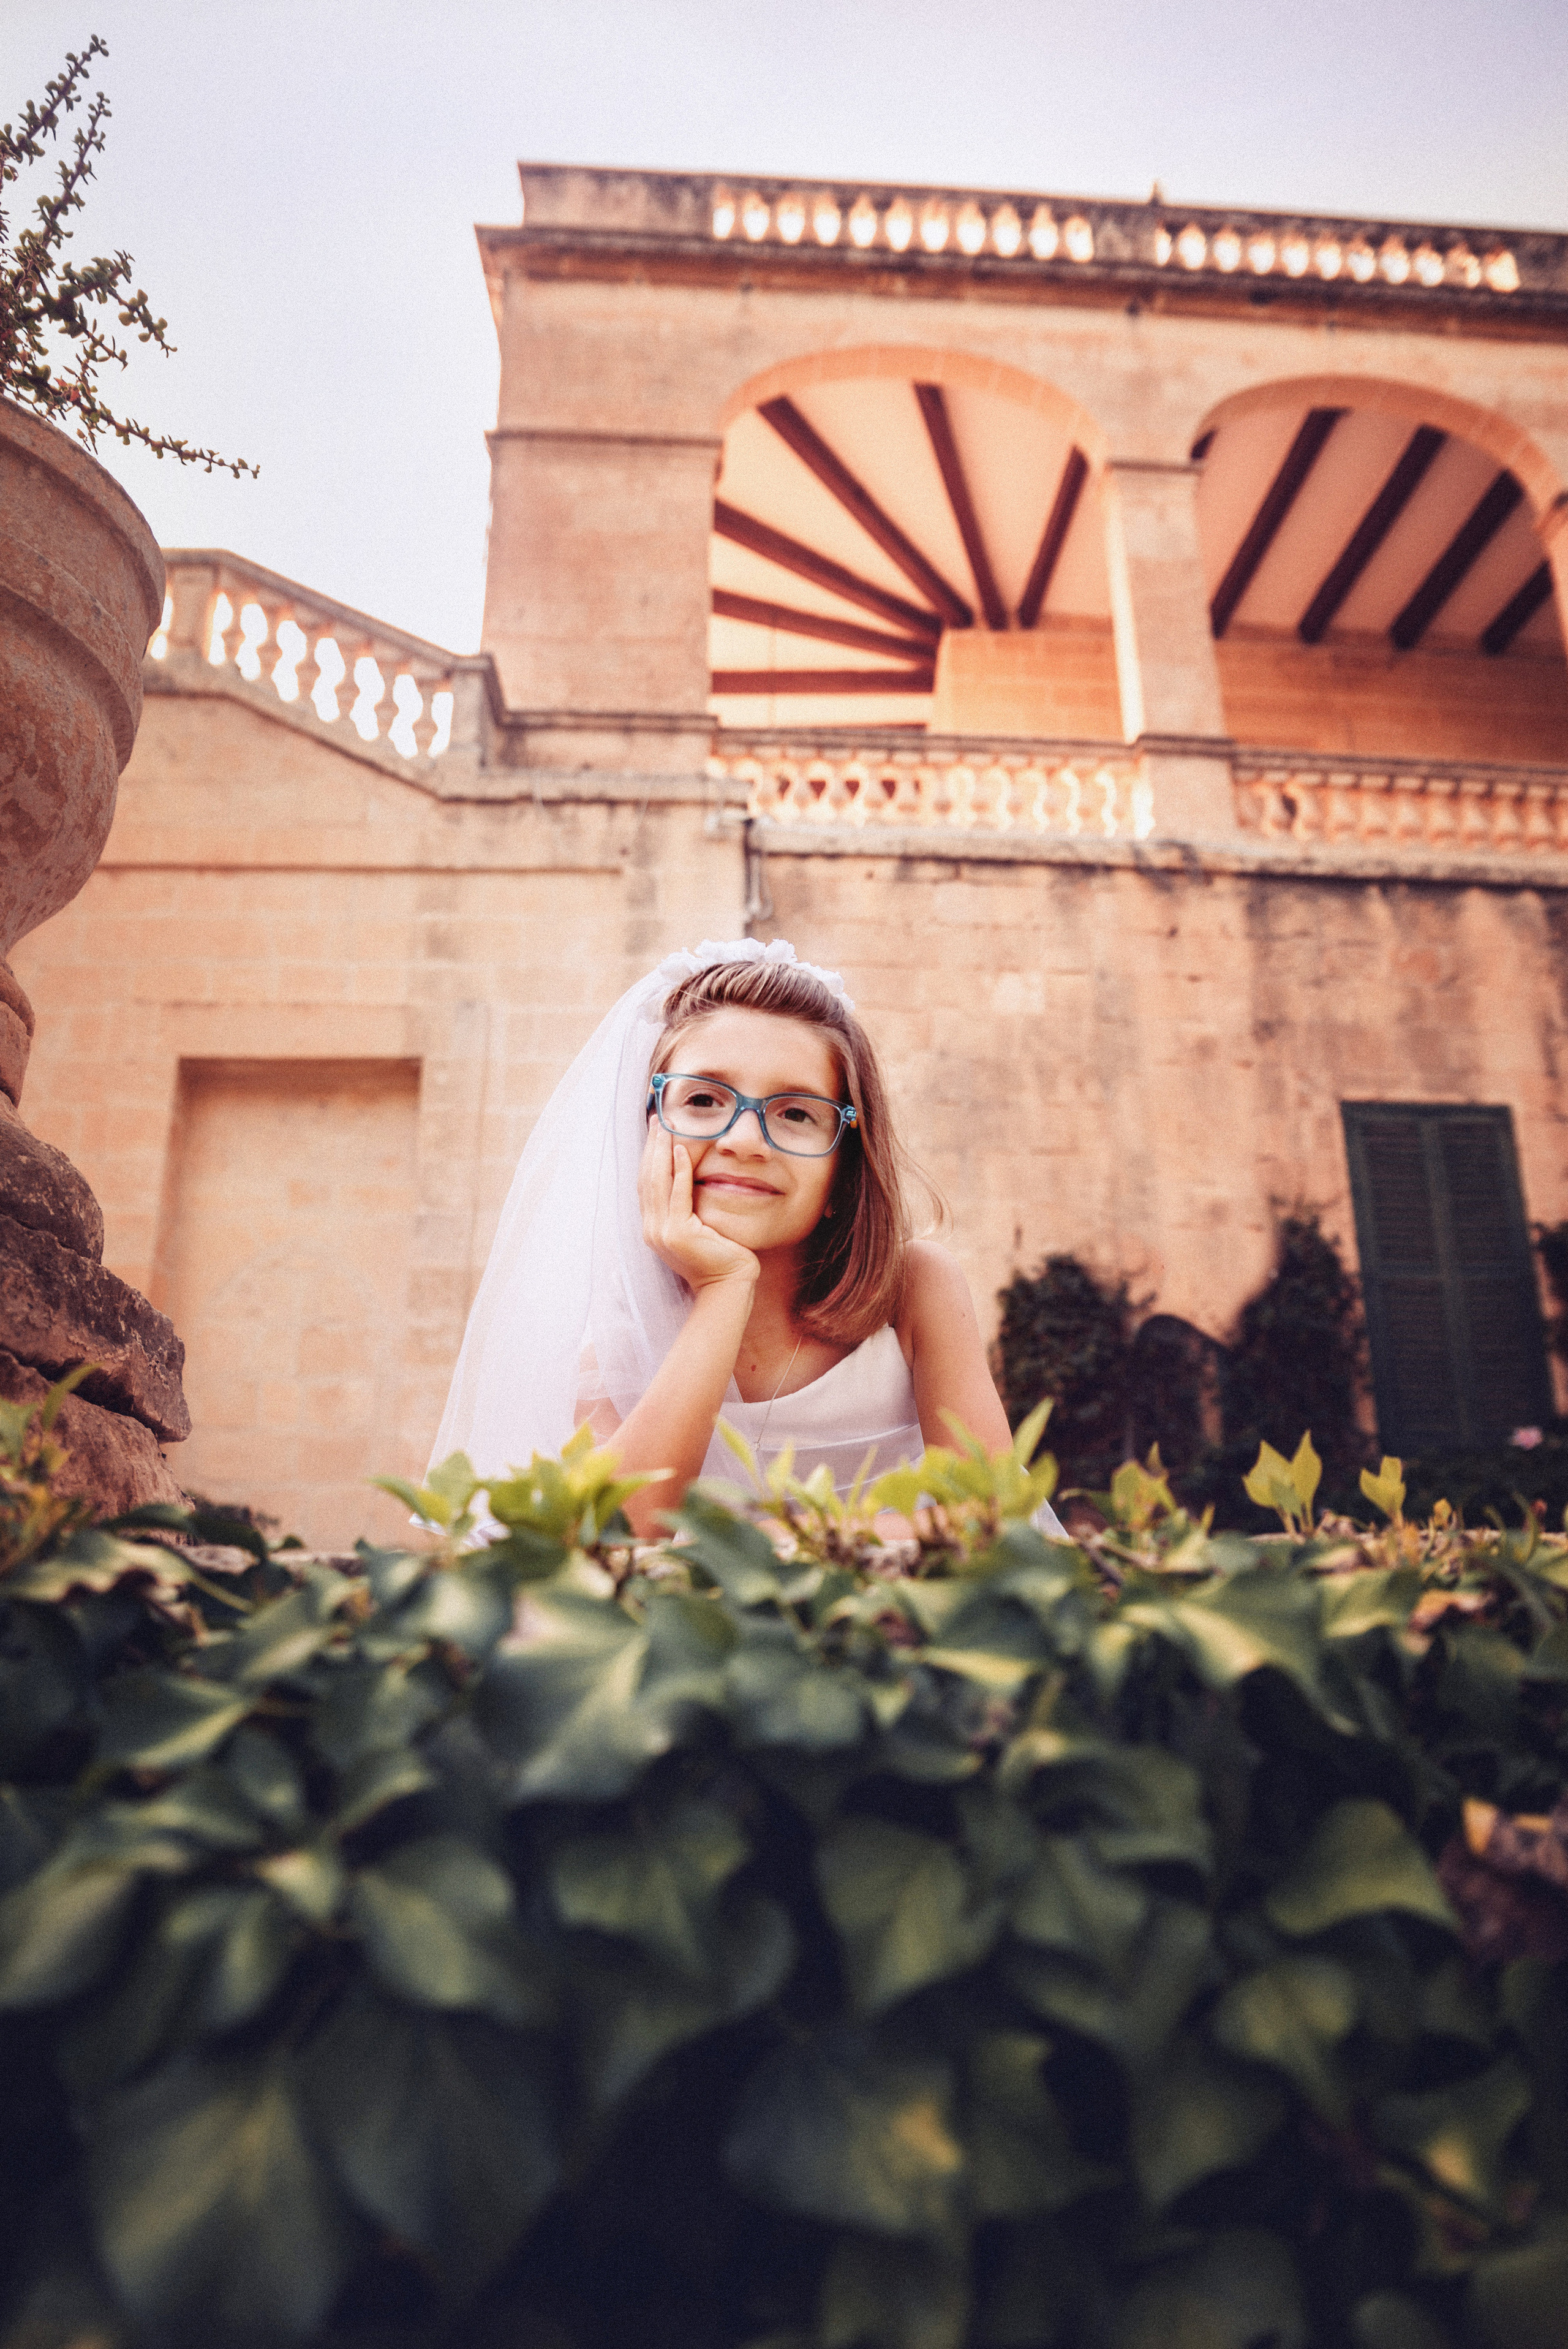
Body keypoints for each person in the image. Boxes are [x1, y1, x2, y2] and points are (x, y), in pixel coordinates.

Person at [430, 937, 1041, 1540]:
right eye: (702, 1099)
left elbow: (992, 1515)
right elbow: (618, 1532)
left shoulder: (915, 1290)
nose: (745, 1141)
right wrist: (724, 1287)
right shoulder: (614, 1335)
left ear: (843, 1169)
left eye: (796, 1113)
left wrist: (769, 1543)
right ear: (643, 1135)